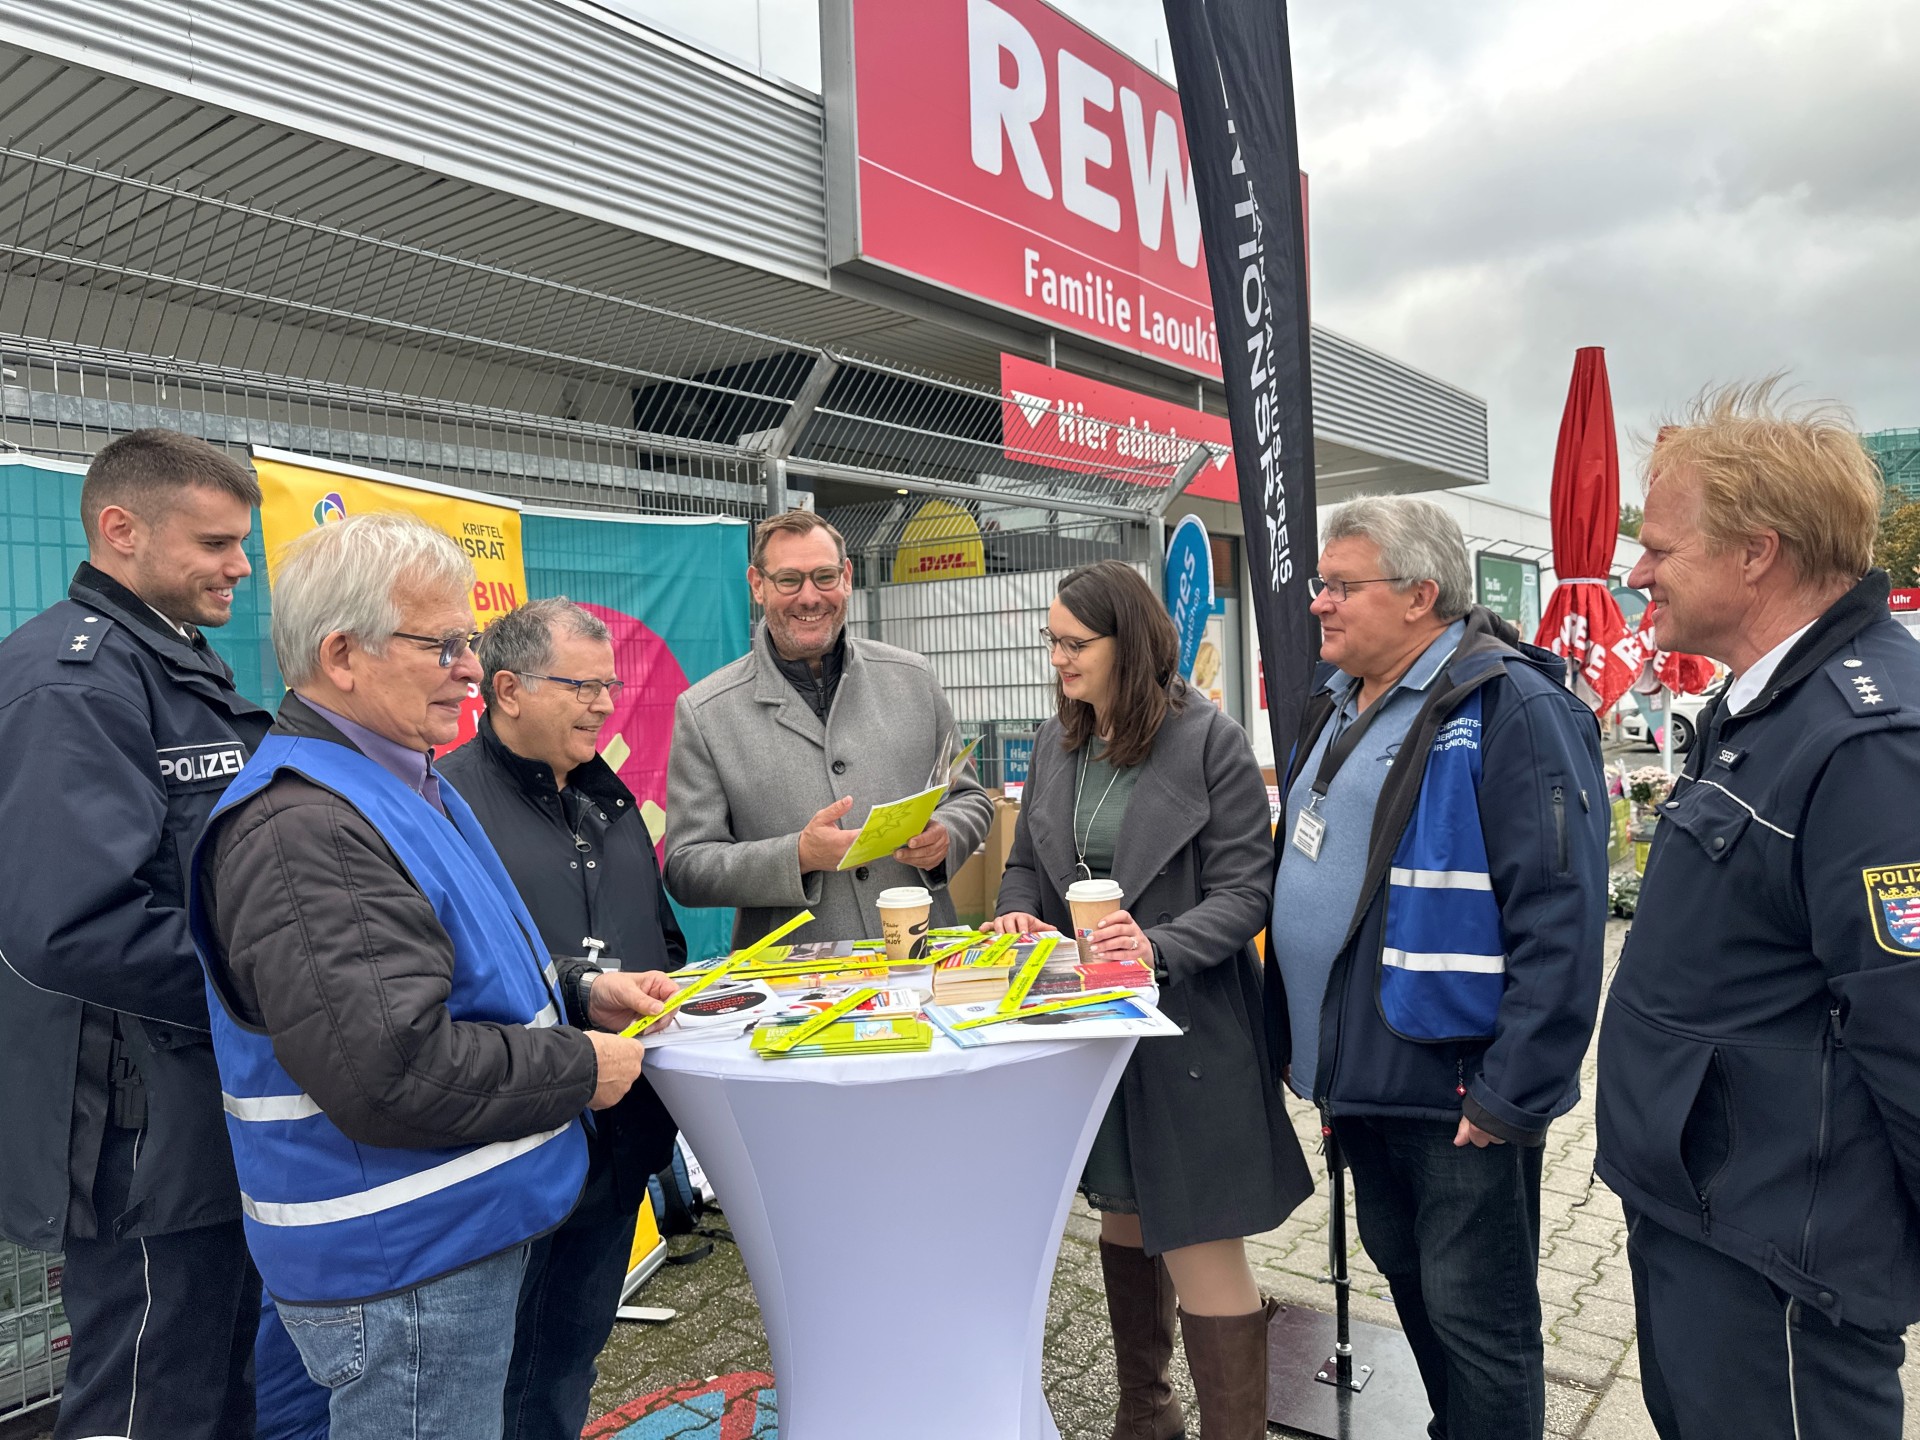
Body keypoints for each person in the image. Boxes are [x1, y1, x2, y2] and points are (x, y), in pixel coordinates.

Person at [189, 513, 676, 1440]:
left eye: (470, 641)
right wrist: (582, 1067)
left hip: (443, 1243)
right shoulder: (306, 831)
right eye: (445, 644)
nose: (468, 667)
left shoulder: (398, 779)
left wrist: (577, 991)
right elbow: (391, 1070)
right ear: (343, 654)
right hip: (405, 1269)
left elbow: (441, 970)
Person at [1596, 384, 1920, 1440]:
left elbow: (1909, 1022)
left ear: (1756, 554)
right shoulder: (1769, 702)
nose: (1637, 572)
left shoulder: (1864, 741)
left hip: (1782, 1256)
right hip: (1712, 1222)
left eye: (1659, 547)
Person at [1271, 496, 1608, 1440]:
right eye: (1319, 584)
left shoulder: (1511, 708)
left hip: (1459, 1092)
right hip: (1363, 1079)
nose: (1320, 605)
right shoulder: (1337, 699)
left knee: (1482, 1323)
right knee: (1416, 1291)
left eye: (1344, 586)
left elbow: (1562, 917)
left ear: (1422, 595)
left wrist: (1511, 1096)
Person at [987, 559, 1312, 1440]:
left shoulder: (1210, 739)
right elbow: (1025, 865)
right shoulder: (1060, 744)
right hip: (1091, 1029)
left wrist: (1155, 945)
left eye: (1072, 643)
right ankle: (1147, 1410)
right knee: (1124, 1214)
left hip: (1190, 1028)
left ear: (1128, 645)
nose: (1056, 658)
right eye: (1051, 641)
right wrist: (1017, 916)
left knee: (1201, 1239)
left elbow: (1250, 890)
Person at [0, 428, 270, 1440]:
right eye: (213, 543)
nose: (240, 565)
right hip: (139, 1138)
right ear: (121, 530)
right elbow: (72, 926)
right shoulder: (75, 684)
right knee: (150, 1405)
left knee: (209, 1391)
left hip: (198, 1109)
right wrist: (273, 988)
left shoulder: (173, 666)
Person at [439, 598, 687, 1440]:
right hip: (514, 1149)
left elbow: (658, 933)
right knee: (505, 1383)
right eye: (581, 684)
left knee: (565, 1364)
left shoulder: (607, 799)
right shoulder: (446, 807)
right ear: (506, 689)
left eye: (608, 684)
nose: (603, 702)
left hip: (615, 1143)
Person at [665, 509, 994, 944]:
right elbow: (687, 867)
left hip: (922, 959)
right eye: (789, 580)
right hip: (795, 985)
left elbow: (969, 798)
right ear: (757, 585)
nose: (809, 597)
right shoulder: (706, 711)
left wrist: (946, 837)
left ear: (847, 577)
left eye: (824, 576)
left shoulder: (913, 678)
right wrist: (796, 856)